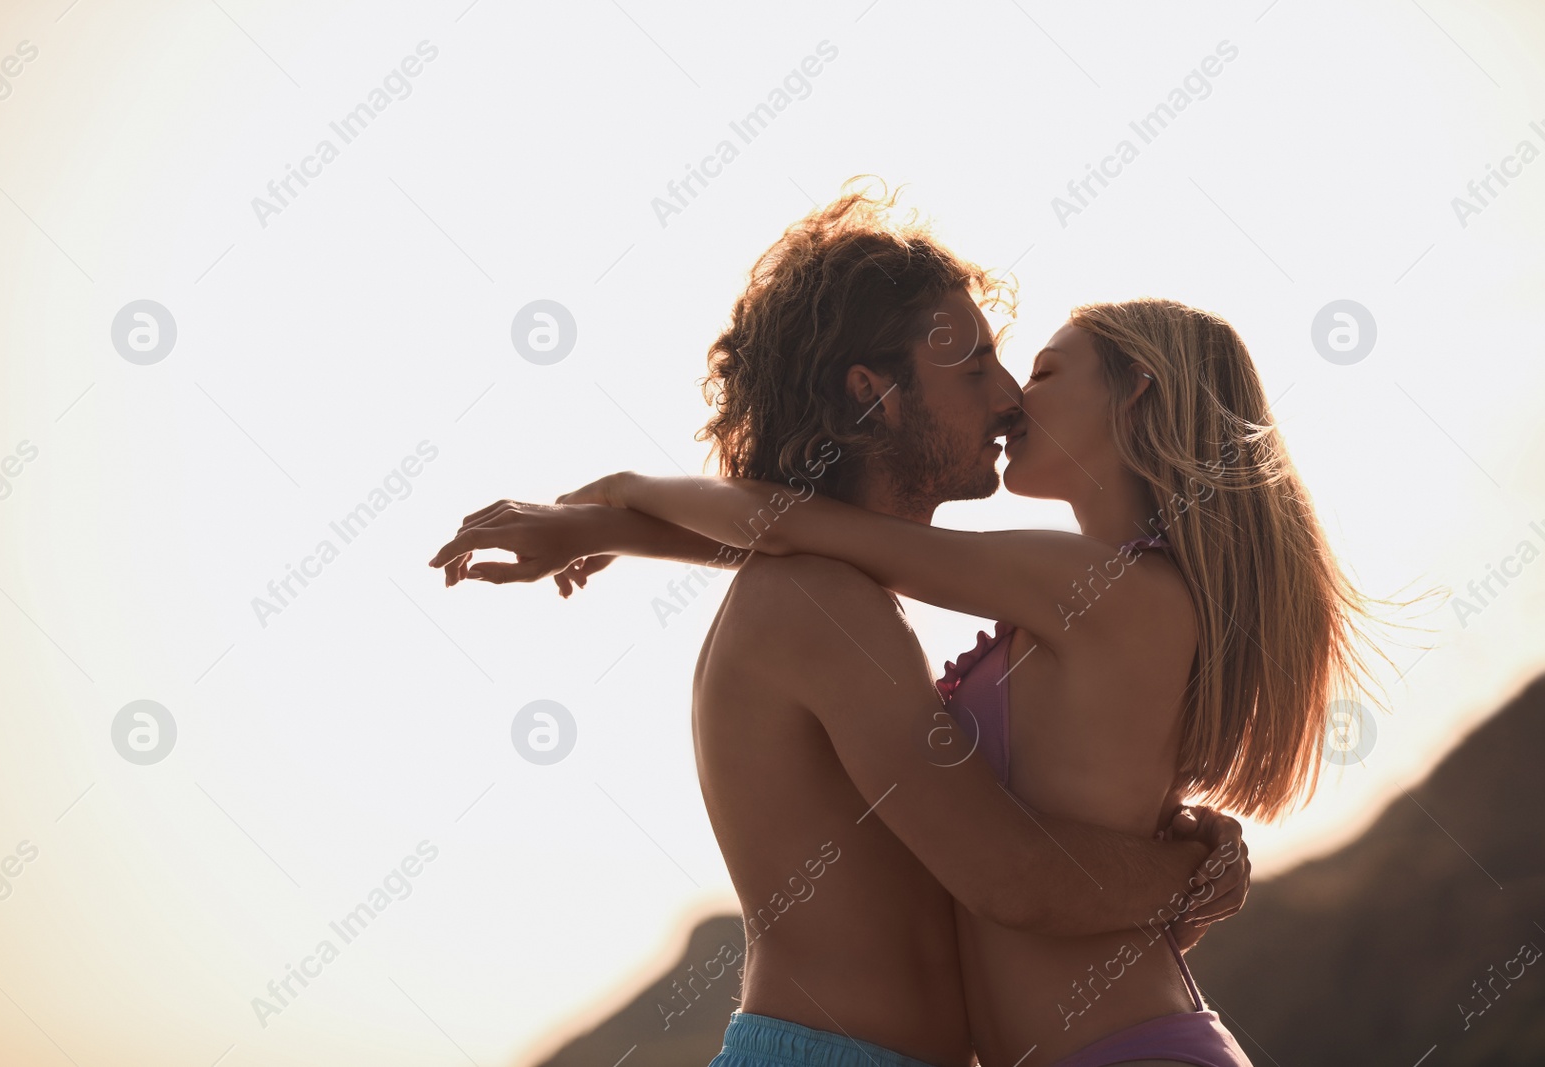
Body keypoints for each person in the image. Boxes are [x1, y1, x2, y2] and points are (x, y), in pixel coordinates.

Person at [430, 184, 1260, 1067]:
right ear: (876, 397)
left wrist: (615, 518)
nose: (1009, 395)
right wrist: (1195, 871)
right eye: (974, 367)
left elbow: (807, 526)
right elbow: (1011, 875)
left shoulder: (824, 582)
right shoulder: (818, 601)